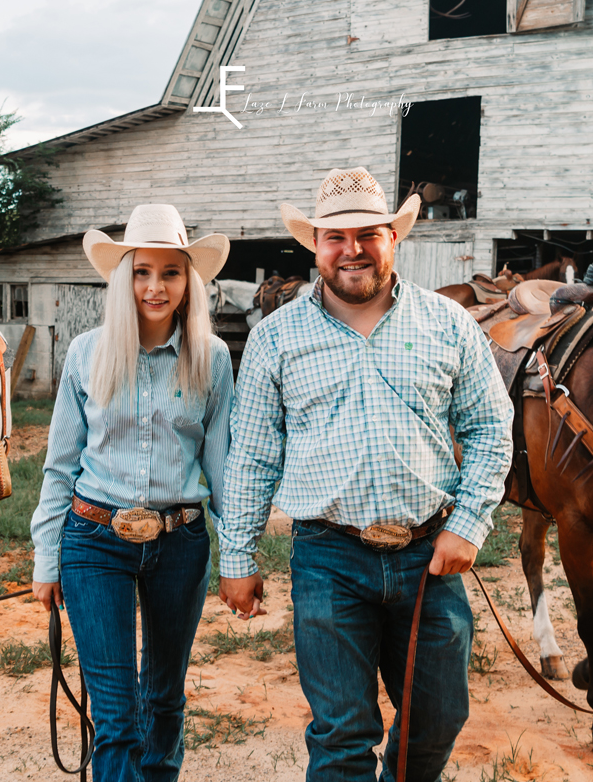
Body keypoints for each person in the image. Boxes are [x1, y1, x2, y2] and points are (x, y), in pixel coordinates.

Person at [218, 168, 513, 782]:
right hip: (330, 555)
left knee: (437, 717)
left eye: (367, 234)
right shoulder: (276, 338)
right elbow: (251, 455)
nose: (351, 249)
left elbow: (490, 428)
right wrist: (238, 556)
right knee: (343, 734)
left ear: (392, 238)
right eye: (335, 237)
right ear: (315, 246)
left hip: (428, 551)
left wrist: (469, 523)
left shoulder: (448, 323)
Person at [30, 204, 234, 781]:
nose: (155, 286)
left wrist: (239, 555)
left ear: (188, 281)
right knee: (116, 715)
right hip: (95, 541)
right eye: (142, 271)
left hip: (180, 542)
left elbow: (220, 467)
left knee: (164, 700)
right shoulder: (86, 354)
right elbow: (59, 466)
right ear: (124, 278)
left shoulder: (212, 359)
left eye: (171, 272)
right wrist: (48, 559)